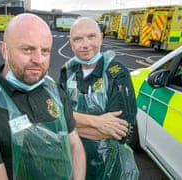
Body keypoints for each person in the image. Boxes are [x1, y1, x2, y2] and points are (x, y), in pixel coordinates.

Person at [0, 13, 86, 180]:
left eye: (45, 51)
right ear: (4, 49)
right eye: (27, 49)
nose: (38, 60)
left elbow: (74, 145)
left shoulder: (54, 91)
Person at [59, 17, 139, 180]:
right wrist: (97, 122)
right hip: (71, 159)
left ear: (101, 38)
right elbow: (56, 114)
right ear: (71, 43)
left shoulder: (117, 74)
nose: (85, 44)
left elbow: (119, 132)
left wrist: (64, 128)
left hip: (106, 165)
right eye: (78, 39)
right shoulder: (67, 71)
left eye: (91, 36)